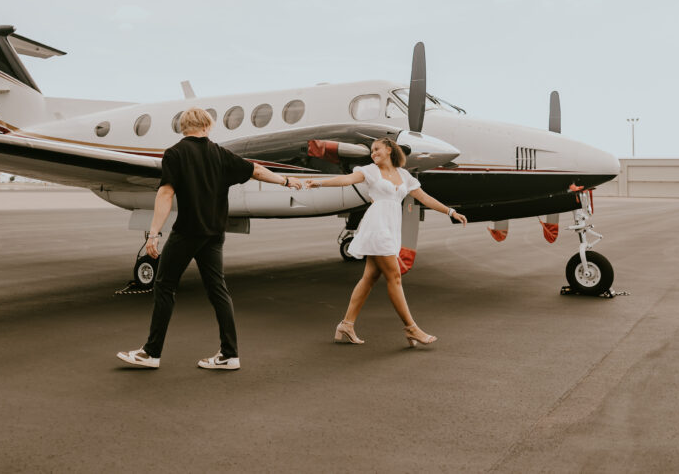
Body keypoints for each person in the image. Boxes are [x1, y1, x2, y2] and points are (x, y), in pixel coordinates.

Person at [118, 107, 302, 370]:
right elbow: (256, 170)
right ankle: (230, 354)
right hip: (214, 234)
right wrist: (285, 181)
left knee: (165, 287)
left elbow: (165, 195)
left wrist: (154, 234)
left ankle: (151, 353)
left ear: (183, 126)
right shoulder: (220, 154)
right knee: (218, 290)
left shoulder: (175, 154)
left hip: (187, 232)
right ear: (207, 125)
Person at [304, 137, 467, 347]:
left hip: (391, 228)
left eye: (377, 149)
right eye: (371, 151)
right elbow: (347, 180)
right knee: (394, 276)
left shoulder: (404, 175)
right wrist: (319, 182)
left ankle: (346, 324)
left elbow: (424, 197)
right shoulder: (370, 170)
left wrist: (450, 211)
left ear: (389, 150)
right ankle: (411, 328)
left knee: (370, 277)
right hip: (376, 226)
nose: (373, 153)